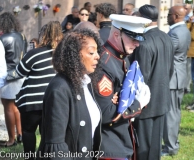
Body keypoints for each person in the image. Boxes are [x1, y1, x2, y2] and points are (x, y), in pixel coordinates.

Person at [37, 29, 102, 160]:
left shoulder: (84, 83)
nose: (98, 56)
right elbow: (56, 145)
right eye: (91, 52)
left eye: (97, 51)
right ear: (75, 55)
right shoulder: (60, 88)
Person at [93, 14, 151, 160]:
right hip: (108, 145)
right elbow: (107, 114)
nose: (137, 43)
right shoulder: (104, 63)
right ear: (116, 34)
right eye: (133, 38)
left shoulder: (122, 56)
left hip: (121, 140)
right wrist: (138, 104)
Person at [130, 5, 174, 160]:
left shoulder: (143, 42)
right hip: (161, 98)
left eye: (137, 15)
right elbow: (170, 70)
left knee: (143, 148)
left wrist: (135, 103)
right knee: (154, 147)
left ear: (144, 19)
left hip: (146, 103)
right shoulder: (166, 37)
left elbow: (141, 79)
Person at [15, 21, 63, 159]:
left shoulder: (34, 53)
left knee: (28, 131)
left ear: (44, 35)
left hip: (31, 101)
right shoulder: (62, 55)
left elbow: (20, 72)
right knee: (47, 133)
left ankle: (30, 157)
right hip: (53, 101)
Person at [162, 6, 191, 156]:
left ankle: (171, 147)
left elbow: (165, 54)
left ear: (175, 16)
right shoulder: (183, 29)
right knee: (174, 112)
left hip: (173, 78)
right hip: (179, 76)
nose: (167, 17)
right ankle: (172, 144)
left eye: (169, 14)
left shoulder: (175, 33)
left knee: (171, 114)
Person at [0, 12, 27, 147]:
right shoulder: (22, 36)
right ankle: (20, 134)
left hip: (8, 75)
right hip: (21, 73)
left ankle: (11, 139)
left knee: (8, 108)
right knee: (16, 107)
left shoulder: (2, 39)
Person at [183, 3, 194, 93]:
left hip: (189, 46)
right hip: (182, 45)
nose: (185, 10)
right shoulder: (183, 17)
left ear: (190, 9)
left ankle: (187, 87)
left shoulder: (193, 19)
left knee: (188, 67)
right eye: (184, 8)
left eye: (187, 8)